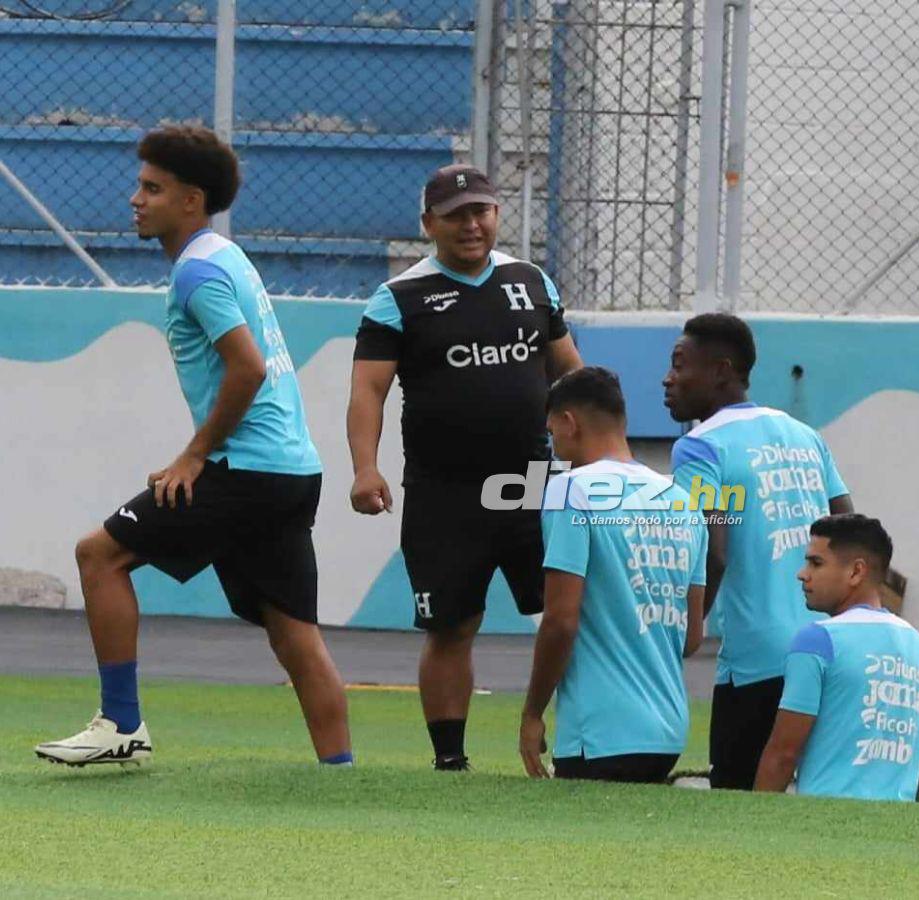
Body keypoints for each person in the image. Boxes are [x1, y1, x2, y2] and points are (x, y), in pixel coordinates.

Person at [36, 126, 352, 767]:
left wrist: (194, 454)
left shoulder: (199, 272)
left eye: (152, 189)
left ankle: (121, 726)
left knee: (99, 555)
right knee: (292, 631)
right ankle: (339, 770)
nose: (136, 200)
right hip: (291, 471)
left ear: (191, 200)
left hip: (245, 470)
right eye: (139, 186)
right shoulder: (226, 257)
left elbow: (248, 367)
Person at [348, 164, 583, 771]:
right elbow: (369, 392)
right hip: (444, 493)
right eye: (455, 216)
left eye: (481, 211)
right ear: (429, 223)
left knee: (570, 615)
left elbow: (571, 376)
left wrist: (597, 458)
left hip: (532, 484)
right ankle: (450, 763)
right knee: (452, 626)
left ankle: (586, 748)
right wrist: (365, 468)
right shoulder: (398, 298)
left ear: (498, 214)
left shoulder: (531, 282)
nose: (471, 225)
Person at [663, 312, 853, 790]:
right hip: (828, 646)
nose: (668, 378)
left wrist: (685, 631)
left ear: (721, 371)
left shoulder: (700, 447)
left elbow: (711, 550)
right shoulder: (805, 436)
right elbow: (849, 529)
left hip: (757, 658)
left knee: (738, 796)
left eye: (680, 365)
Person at [519, 367, 707, 783]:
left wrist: (532, 712)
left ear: (569, 422)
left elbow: (560, 621)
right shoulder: (684, 502)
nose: (553, 444)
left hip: (600, 732)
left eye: (552, 432)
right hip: (668, 733)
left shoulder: (571, 490)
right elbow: (691, 637)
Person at [755, 515, 919, 802]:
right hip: (901, 825)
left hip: (822, 821)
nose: (802, 574)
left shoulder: (816, 640)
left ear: (856, 572)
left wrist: (759, 819)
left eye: (816, 563)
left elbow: (783, 755)